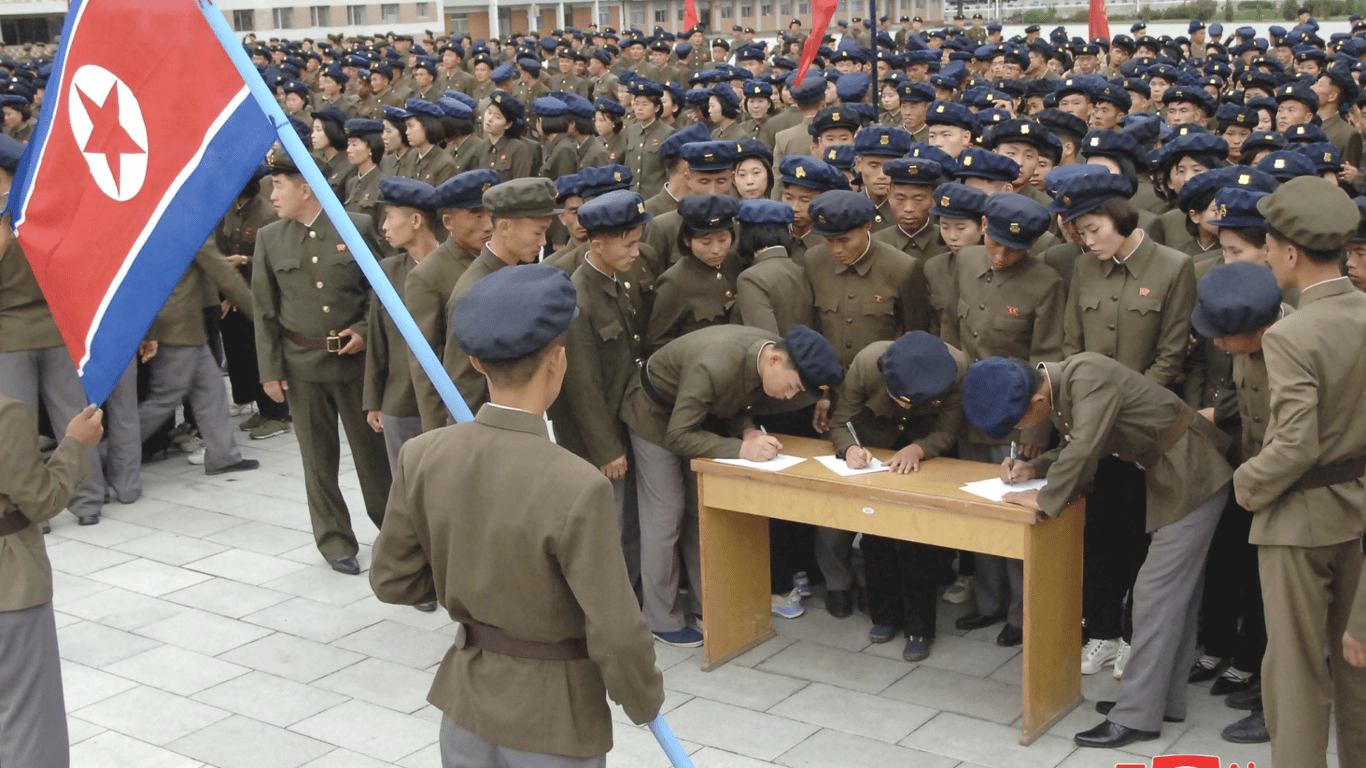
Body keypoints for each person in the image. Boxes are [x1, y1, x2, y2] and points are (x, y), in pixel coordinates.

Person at [370, 264, 666, 768]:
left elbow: (393, 580)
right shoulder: (576, 484)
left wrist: (470, 585)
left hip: (466, 702)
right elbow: (616, 629)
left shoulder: (422, 454)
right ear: (557, 361)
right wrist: (644, 701)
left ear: (476, 364)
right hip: (554, 717)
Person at [963, 352, 1233, 749]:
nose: (1024, 432)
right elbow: (1082, 443)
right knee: (1175, 598)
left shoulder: (1086, 375)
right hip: (1177, 476)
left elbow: (1086, 446)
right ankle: (1162, 701)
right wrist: (1033, 469)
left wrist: (1045, 497)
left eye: (1020, 422)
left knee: (1154, 597)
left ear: (1037, 402)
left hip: (1194, 478)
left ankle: (1137, 716)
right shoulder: (1068, 387)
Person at [1230, 177, 1366, 768]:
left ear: (1288, 252)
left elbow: (1294, 445)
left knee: (1295, 670)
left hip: (1300, 521)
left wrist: (1245, 485)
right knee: (1356, 664)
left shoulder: (1291, 333)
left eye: (1267, 245)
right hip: (1358, 510)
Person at [1048, 171, 1197, 680]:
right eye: (1078, 233)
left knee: (1139, 539)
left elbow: (1169, 357)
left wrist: (1123, 417)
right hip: (1091, 432)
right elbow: (1071, 349)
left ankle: (1134, 636)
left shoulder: (1175, 267)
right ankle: (1102, 632)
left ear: (1119, 216)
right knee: (1098, 536)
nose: (1086, 243)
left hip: (1141, 433)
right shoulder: (1084, 269)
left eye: (1092, 229)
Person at [619, 324, 843, 646]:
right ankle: (660, 619)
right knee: (666, 514)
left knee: (703, 508)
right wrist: (741, 449)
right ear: (775, 361)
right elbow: (678, 434)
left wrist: (749, 431)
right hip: (654, 417)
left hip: (696, 418)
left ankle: (707, 606)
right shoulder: (714, 363)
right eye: (793, 386)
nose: (790, 396)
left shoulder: (761, 356)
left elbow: (733, 401)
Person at [252, 149, 392, 574]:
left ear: (306, 187)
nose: (272, 194)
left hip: (354, 366)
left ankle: (394, 536)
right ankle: (334, 540)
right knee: (317, 458)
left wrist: (366, 333)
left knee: (374, 459)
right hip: (301, 365)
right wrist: (271, 371)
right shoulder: (270, 238)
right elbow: (264, 309)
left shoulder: (356, 226)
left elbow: (381, 293)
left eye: (279, 185)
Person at [948, 192, 1064, 647]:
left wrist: (1036, 430)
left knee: (1014, 513)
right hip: (965, 411)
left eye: (1013, 250)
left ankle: (1020, 613)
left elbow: (1047, 361)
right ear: (981, 226)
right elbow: (952, 334)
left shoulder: (1046, 283)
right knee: (978, 515)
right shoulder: (965, 261)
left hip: (1016, 418)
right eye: (994, 243)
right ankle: (988, 601)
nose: (1000, 256)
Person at [828, 331, 969, 660]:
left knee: (917, 540)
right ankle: (884, 616)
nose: (906, 406)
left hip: (923, 454)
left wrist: (918, 449)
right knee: (875, 535)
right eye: (900, 399)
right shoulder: (866, 363)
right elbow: (840, 422)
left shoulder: (957, 367)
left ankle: (919, 629)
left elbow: (947, 431)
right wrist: (849, 448)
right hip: (875, 450)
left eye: (913, 402)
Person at [0, 397, 102, 767]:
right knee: (29, 728)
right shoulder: (5, 413)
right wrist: (75, 444)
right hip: (8, 586)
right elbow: (42, 501)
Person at [442, 178, 560, 414]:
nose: (543, 242)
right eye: (538, 232)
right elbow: (464, 387)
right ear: (505, 227)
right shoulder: (474, 291)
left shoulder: (513, 274)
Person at [405, 170, 499, 432]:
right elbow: (426, 366)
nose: (488, 224)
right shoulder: (428, 276)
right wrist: (441, 434)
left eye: (492, 213)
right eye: (476, 215)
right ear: (448, 221)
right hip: (466, 414)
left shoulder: (501, 260)